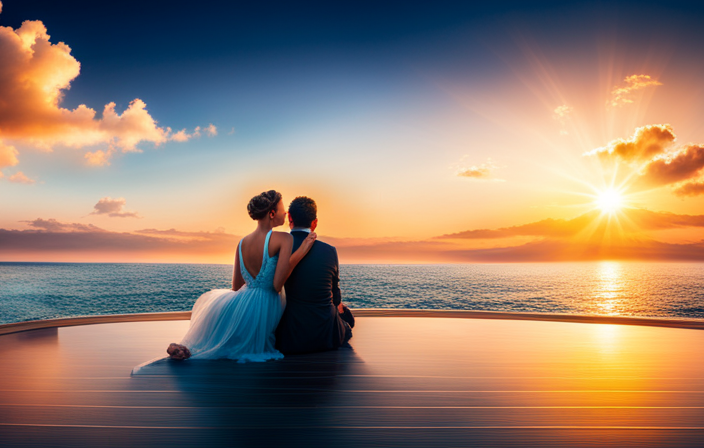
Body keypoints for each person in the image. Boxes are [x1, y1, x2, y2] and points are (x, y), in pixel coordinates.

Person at [166, 190, 317, 362]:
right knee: (242, 347)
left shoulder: (242, 242)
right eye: (282, 209)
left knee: (218, 342)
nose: (285, 213)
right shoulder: (284, 239)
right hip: (266, 304)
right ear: (272, 213)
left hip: (245, 299)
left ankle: (190, 350)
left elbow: (236, 287)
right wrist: (302, 250)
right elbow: (277, 286)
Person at [275, 196, 354, 354]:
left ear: (289, 217)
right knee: (347, 318)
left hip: (288, 336)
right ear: (315, 222)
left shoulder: (277, 248)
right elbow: (335, 296)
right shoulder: (329, 251)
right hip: (325, 336)